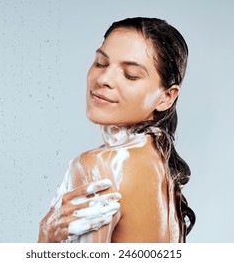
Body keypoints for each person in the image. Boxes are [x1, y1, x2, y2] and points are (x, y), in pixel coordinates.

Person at [38, 17, 195, 243]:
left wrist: (45, 238)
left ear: (166, 97)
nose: (104, 79)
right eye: (101, 63)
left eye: (130, 74)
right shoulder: (161, 164)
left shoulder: (99, 168)